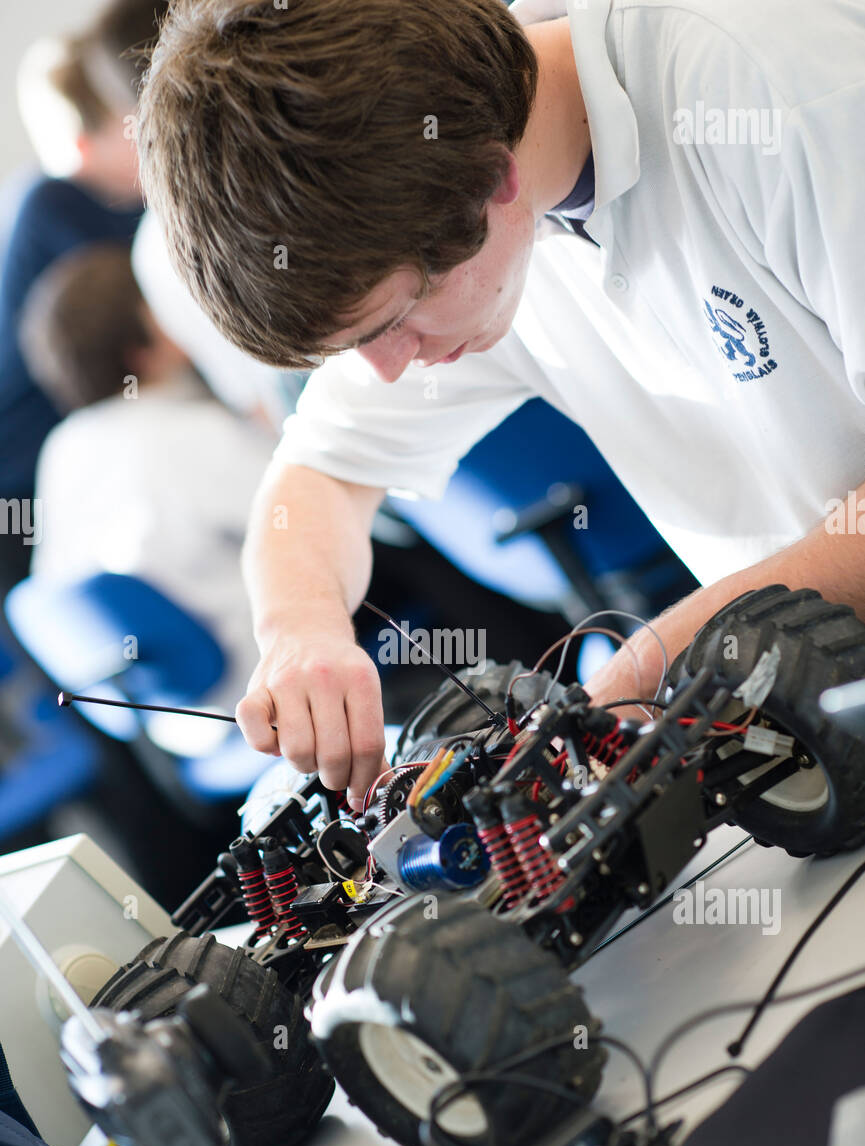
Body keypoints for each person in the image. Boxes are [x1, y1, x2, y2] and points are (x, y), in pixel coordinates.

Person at [135, 0, 865, 809]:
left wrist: (649, 665)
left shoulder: (778, 97)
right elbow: (318, 475)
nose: (386, 369)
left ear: (494, 179)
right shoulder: (457, 210)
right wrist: (299, 632)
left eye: (389, 322)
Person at [19, 244, 273, 710]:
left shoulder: (64, 448)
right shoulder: (190, 436)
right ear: (143, 351)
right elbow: (316, 508)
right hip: (260, 681)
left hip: (173, 719)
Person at [0, 2, 167, 584]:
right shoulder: (55, 207)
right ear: (88, 142)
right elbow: (157, 310)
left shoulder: (97, 202)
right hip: (22, 469)